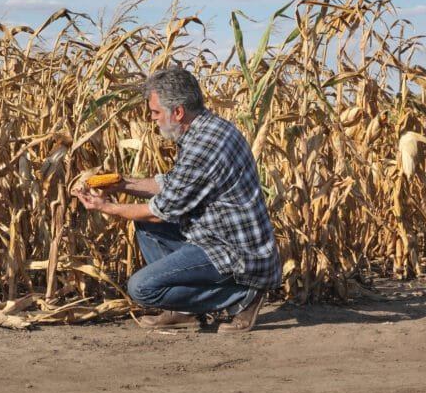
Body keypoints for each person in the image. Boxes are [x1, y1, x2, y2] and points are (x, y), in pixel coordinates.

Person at [75, 67, 281, 332]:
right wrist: (121, 183)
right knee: (148, 230)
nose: (153, 120)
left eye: (156, 112)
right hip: (214, 234)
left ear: (178, 112)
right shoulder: (206, 129)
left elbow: (159, 212)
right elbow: (171, 186)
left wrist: (107, 207)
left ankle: (243, 297)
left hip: (235, 252)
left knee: (142, 288)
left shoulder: (204, 146)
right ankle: (183, 311)